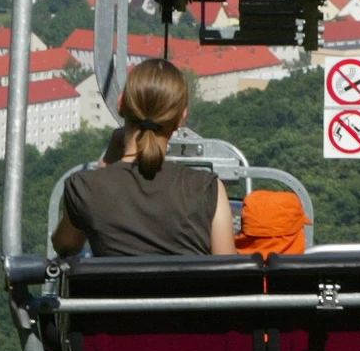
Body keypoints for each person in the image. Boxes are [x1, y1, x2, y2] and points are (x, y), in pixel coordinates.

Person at [51, 59, 236, 257]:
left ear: (121, 105)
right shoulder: (208, 189)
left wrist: (106, 166)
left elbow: (65, 246)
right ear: (180, 119)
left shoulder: (84, 187)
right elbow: (228, 269)